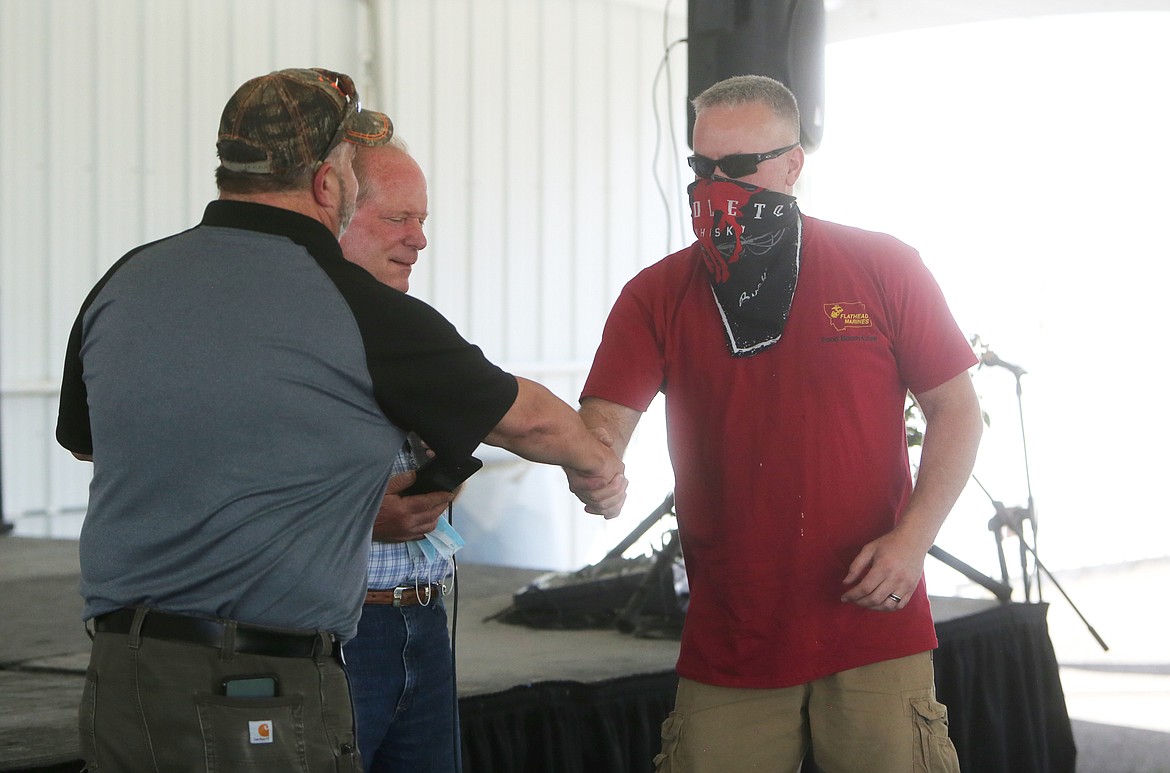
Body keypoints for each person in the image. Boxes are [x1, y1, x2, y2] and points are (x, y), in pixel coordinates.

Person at [56, 67, 626, 773]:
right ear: (330, 183)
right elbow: (527, 417)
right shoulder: (346, 301)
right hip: (257, 685)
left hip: (124, 675)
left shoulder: (124, 281)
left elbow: (95, 444)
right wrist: (597, 465)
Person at [571, 75, 982, 773]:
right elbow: (602, 425)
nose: (716, 186)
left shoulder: (883, 265)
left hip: (871, 621)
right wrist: (594, 469)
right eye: (702, 167)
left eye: (739, 168)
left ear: (793, 165)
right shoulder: (657, 293)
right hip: (732, 630)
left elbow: (959, 409)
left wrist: (914, 541)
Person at [337, 137, 463, 772]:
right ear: (331, 207)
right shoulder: (288, 334)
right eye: (397, 218)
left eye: (422, 221)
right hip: (338, 634)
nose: (418, 240)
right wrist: (358, 515)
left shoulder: (412, 329)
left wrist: (444, 471)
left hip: (422, 616)